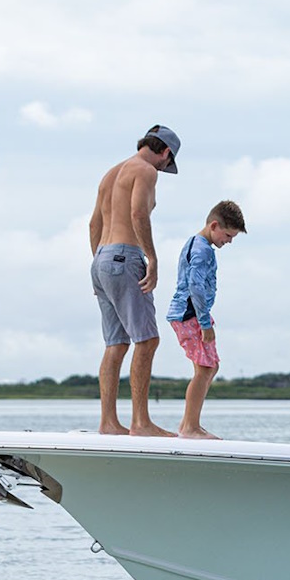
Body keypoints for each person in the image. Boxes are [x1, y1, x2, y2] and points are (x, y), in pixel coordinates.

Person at [88, 126, 181, 436]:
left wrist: (99, 266)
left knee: (116, 344)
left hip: (101, 258)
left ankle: (108, 423)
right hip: (125, 256)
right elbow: (139, 213)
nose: (163, 169)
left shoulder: (111, 173)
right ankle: (141, 423)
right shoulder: (145, 170)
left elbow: (94, 224)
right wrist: (152, 258)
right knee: (147, 340)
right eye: (167, 163)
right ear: (165, 152)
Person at [166, 200, 246, 439]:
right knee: (206, 368)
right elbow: (195, 286)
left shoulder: (197, 244)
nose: (229, 241)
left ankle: (188, 424)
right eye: (228, 235)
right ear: (214, 226)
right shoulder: (202, 250)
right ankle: (189, 427)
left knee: (210, 366)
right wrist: (204, 323)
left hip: (192, 313)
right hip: (189, 314)